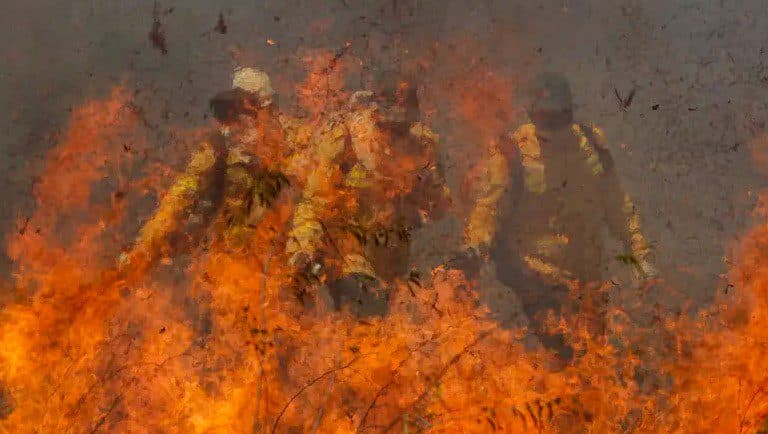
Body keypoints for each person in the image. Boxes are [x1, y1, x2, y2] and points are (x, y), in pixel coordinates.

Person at [459, 72, 655, 359]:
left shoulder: (591, 144)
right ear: (532, 113)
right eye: (545, 116)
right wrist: (475, 245)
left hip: (587, 286)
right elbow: (489, 209)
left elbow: (617, 205)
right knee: (553, 366)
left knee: (590, 367)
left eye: (558, 115)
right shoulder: (513, 152)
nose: (552, 122)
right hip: (536, 284)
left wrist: (640, 254)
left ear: (570, 111)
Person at [286, 76, 452, 317]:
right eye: (389, 127)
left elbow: (437, 208)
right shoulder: (347, 142)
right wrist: (304, 248)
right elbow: (314, 204)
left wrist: (428, 186)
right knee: (365, 311)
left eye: (402, 127)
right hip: (349, 256)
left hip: (393, 260)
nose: (395, 135)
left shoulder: (422, 146)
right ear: (375, 116)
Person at [119, 67, 296, 272]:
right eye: (245, 108)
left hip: (280, 260)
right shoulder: (218, 150)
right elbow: (179, 198)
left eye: (261, 108)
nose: (253, 118)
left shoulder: (289, 142)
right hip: (234, 264)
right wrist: (143, 248)